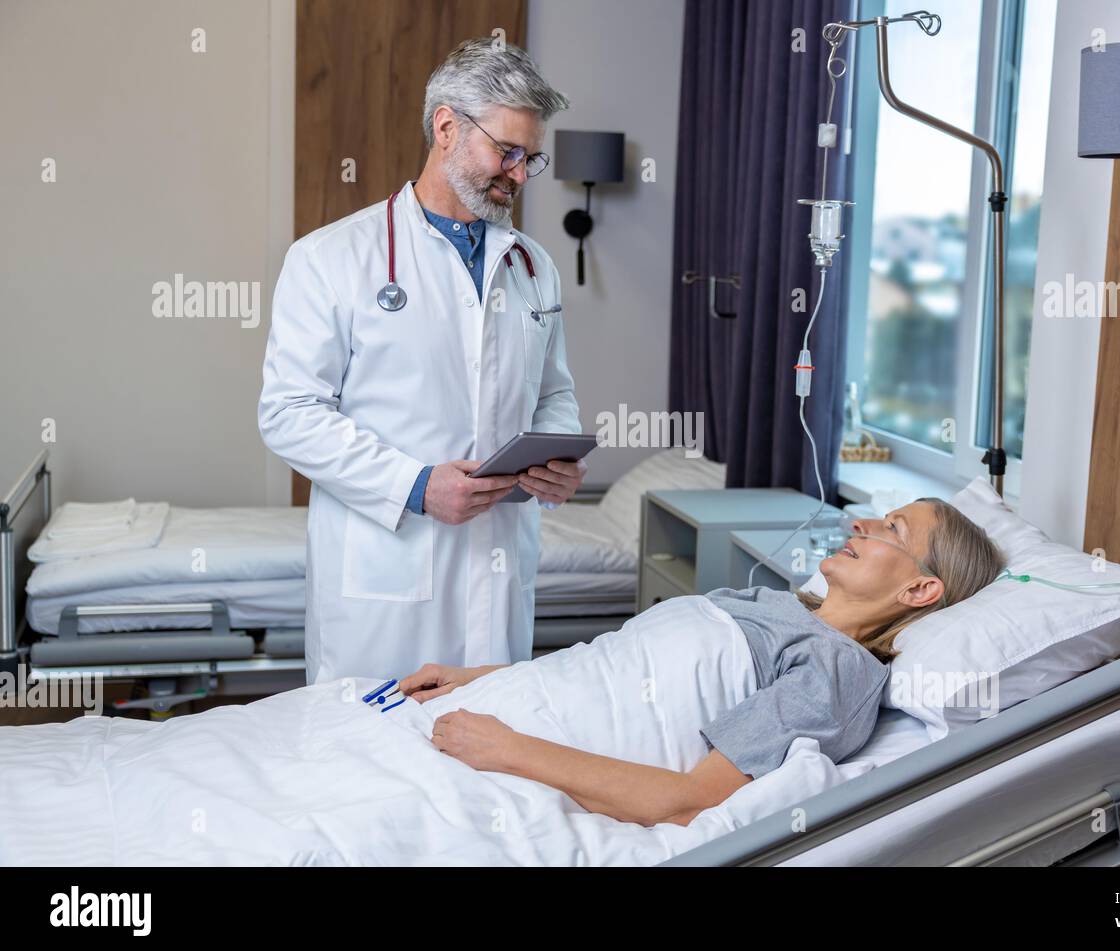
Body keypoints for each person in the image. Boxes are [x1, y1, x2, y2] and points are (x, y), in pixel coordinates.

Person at [259, 38, 584, 684]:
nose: (519, 174)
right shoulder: (329, 260)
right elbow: (287, 414)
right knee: (368, 766)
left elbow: (553, 393)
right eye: (507, 152)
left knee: (491, 766)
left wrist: (559, 463)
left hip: (498, 571)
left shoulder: (533, 268)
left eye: (531, 159)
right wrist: (415, 485)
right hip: (386, 581)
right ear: (445, 128)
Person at [399, 500, 1004, 826]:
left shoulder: (835, 671)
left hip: (503, 753)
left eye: (889, 528)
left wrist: (507, 749)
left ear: (921, 592)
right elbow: (616, 663)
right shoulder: (773, 602)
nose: (861, 523)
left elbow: (688, 802)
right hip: (489, 711)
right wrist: (489, 676)